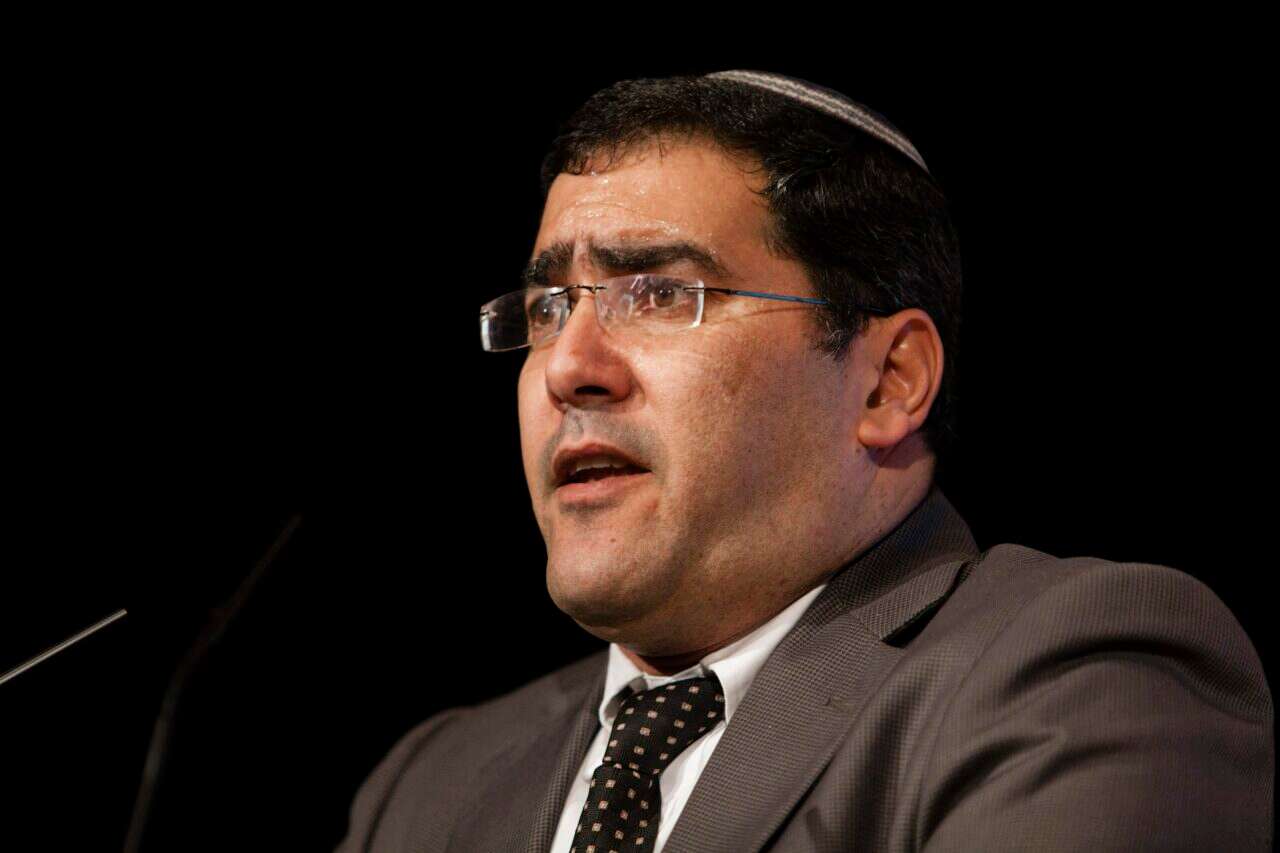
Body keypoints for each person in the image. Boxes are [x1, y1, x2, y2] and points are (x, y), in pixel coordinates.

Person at [336, 70, 1273, 852]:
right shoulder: (428, 786)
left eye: (658, 293)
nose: (568, 367)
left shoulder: (1074, 675)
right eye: (548, 309)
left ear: (888, 382)